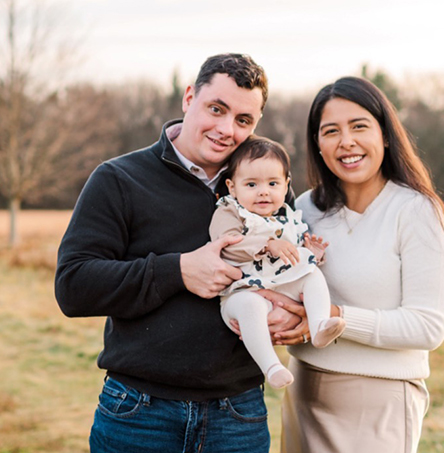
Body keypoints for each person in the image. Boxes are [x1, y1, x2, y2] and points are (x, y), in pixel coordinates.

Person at [54, 53, 297, 453]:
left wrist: (294, 313)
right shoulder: (119, 179)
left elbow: (289, 266)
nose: (225, 129)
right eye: (215, 109)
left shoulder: (264, 182)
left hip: (238, 415)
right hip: (139, 413)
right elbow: (74, 286)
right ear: (189, 98)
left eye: (243, 120)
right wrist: (178, 271)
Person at [279, 77, 444, 453]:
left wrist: (335, 318)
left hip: (379, 399)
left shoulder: (415, 211)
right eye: (331, 131)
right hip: (305, 390)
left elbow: (428, 326)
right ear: (318, 145)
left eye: (359, 126)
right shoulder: (303, 209)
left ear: (386, 135)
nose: (346, 141)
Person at [209, 136, 346, 389]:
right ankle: (271, 367)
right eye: (251, 184)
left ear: (286, 186)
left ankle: (318, 326)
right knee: (251, 305)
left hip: (280, 285)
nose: (263, 191)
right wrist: (267, 244)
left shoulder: (287, 216)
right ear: (232, 186)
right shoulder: (230, 212)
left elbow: (294, 258)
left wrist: (310, 252)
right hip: (240, 293)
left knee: (311, 275)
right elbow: (226, 245)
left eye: (273, 183)